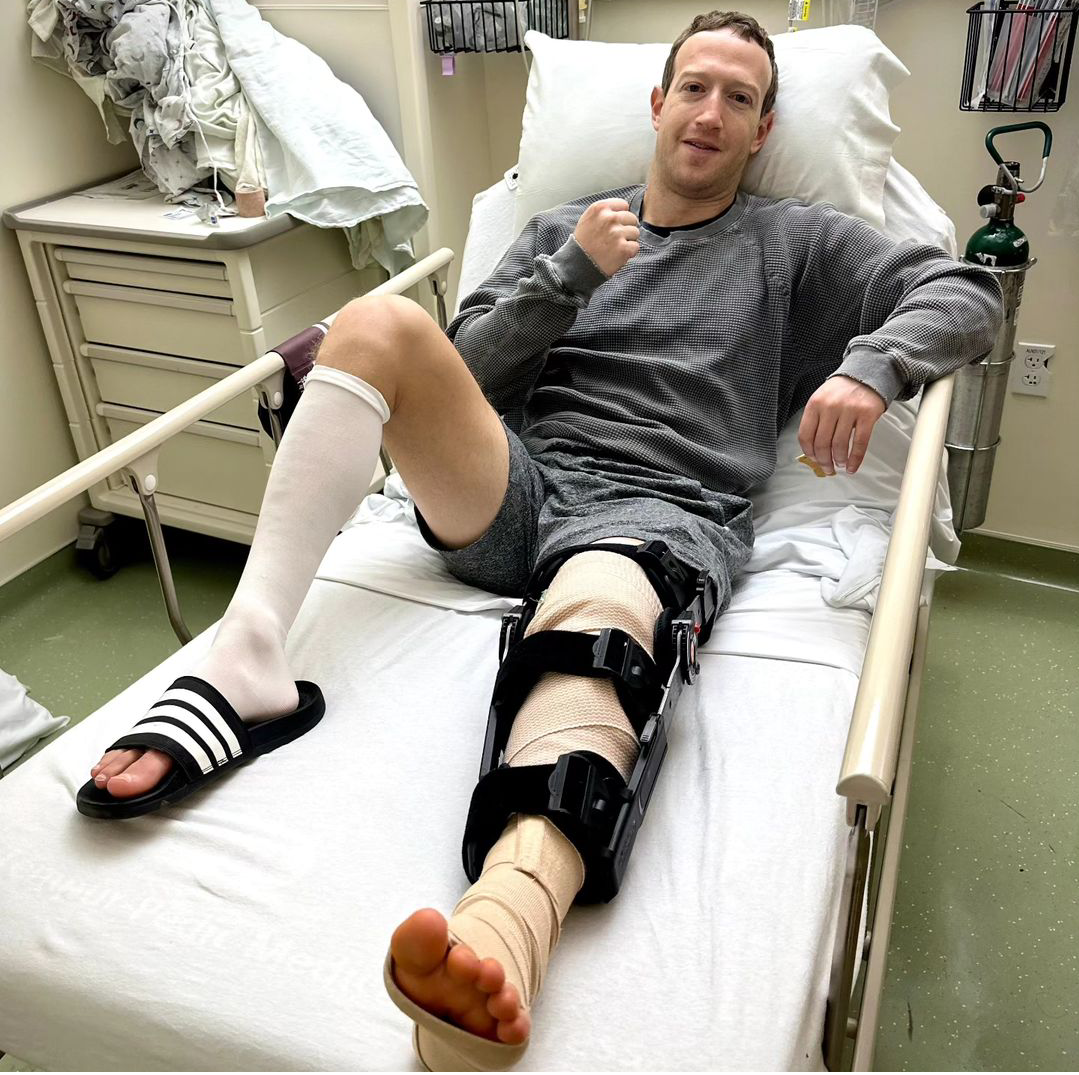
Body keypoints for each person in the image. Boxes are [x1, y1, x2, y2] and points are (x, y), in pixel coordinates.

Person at [79, 9, 1003, 1070]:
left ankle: (503, 928)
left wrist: (869, 367)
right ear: (656, 105)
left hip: (652, 510)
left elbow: (962, 289)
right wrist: (569, 274)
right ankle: (248, 655)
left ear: (761, 131)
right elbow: (457, 376)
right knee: (376, 324)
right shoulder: (564, 228)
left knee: (593, 626)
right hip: (514, 494)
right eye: (693, 88)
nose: (710, 113)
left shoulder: (794, 244)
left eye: (739, 98)